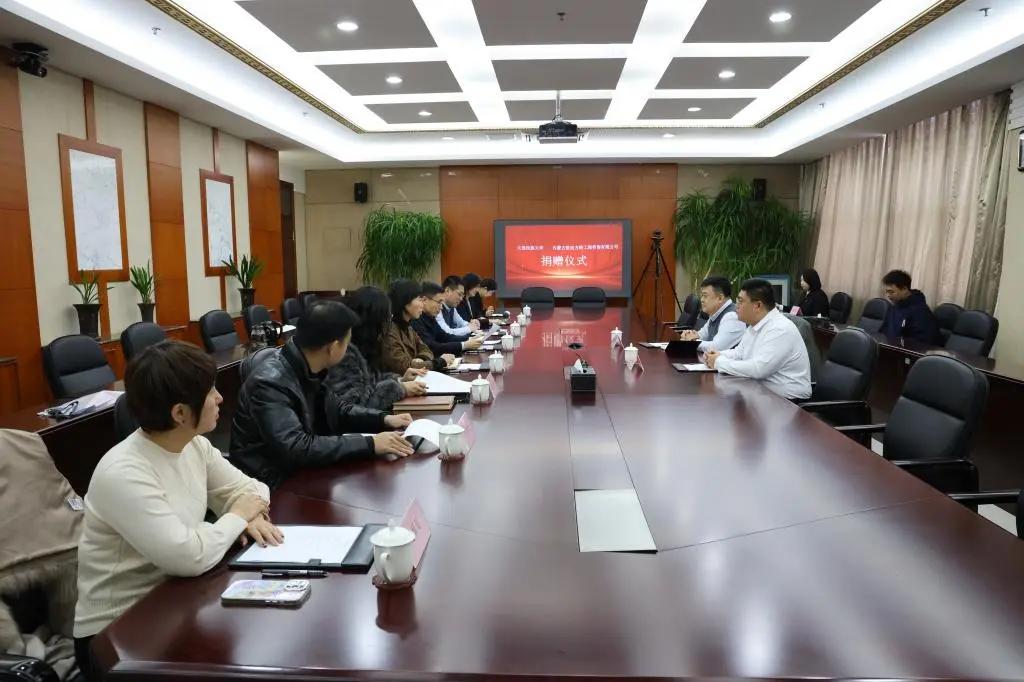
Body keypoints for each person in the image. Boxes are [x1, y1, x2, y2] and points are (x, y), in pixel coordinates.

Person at [74, 341, 279, 681]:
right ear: (180, 413)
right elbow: (187, 556)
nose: (220, 398)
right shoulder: (123, 472)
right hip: (118, 632)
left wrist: (249, 512)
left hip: (178, 599)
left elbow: (255, 489)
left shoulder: (194, 444)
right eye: (210, 392)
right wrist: (236, 516)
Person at [231, 300, 414, 489]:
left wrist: (383, 419)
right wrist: (370, 443)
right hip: (269, 485)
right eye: (347, 343)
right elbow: (296, 446)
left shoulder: (310, 367)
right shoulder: (270, 383)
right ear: (333, 348)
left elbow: (338, 410)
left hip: (300, 472)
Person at [325, 286, 428, 412]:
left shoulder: (366, 345)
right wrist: (401, 389)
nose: (389, 320)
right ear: (374, 320)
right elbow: (356, 404)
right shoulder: (343, 351)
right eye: (386, 316)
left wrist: (400, 379)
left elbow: (371, 380)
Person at [705, 278, 812, 400]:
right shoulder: (754, 325)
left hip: (789, 402)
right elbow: (739, 353)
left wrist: (719, 362)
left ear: (757, 305)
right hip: (762, 393)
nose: (736, 306)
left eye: (740, 301)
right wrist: (717, 355)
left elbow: (759, 369)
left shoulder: (780, 329)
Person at [383, 279, 456, 374]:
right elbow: (404, 366)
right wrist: (440, 362)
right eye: (419, 300)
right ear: (405, 302)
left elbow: (426, 349)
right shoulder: (389, 331)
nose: (422, 304)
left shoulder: (408, 327)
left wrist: (420, 359)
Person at [414, 281, 484, 356]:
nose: (441, 307)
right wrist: (464, 345)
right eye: (439, 302)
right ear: (424, 300)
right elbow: (432, 347)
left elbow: (444, 336)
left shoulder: (430, 317)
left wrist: (469, 339)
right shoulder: (416, 320)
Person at [679, 276, 745, 353]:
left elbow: (716, 347)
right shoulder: (715, 314)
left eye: (705, 296)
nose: (702, 300)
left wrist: (691, 341)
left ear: (720, 298)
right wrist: (688, 335)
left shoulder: (732, 316)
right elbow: (701, 335)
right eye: (702, 296)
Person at [879, 269, 940, 344]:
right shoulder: (894, 306)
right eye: (886, 292)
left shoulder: (921, 311)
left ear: (904, 289)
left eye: (891, 292)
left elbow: (923, 342)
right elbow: (883, 333)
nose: (888, 295)